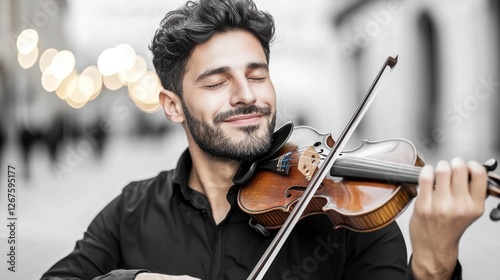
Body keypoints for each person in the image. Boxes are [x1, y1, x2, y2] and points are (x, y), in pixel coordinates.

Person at [41, 0, 488, 279]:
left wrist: (433, 263)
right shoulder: (131, 211)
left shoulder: (347, 214)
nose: (247, 95)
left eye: (258, 75)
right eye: (217, 82)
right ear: (173, 105)